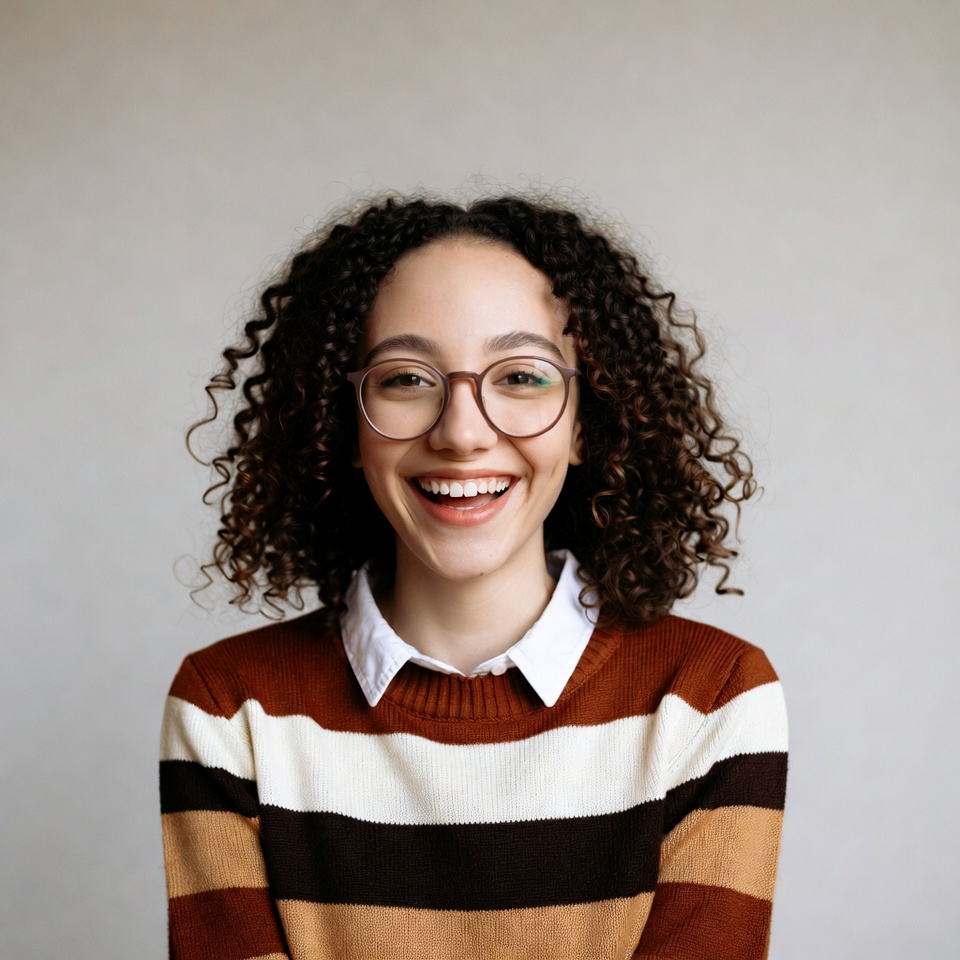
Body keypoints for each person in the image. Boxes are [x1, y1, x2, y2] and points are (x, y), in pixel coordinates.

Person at [159, 194, 788, 960]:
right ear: (346, 425)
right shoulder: (230, 712)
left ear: (588, 420)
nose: (461, 432)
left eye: (521, 377)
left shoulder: (710, 697)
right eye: (405, 379)